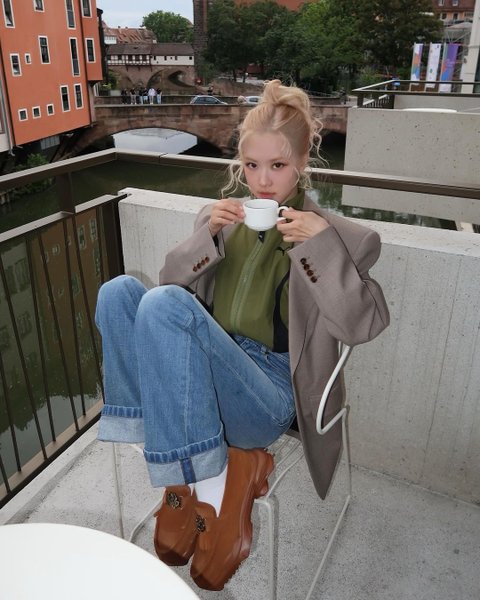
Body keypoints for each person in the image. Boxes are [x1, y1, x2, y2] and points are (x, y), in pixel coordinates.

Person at [95, 79, 389, 591]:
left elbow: (361, 325)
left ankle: (207, 486)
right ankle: (184, 473)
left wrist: (322, 249)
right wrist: (207, 234)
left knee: (161, 305)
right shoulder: (222, 219)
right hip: (205, 373)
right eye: (251, 165)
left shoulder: (342, 237)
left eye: (277, 165)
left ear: (303, 162)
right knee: (118, 292)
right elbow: (169, 286)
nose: (262, 181)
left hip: (267, 393)